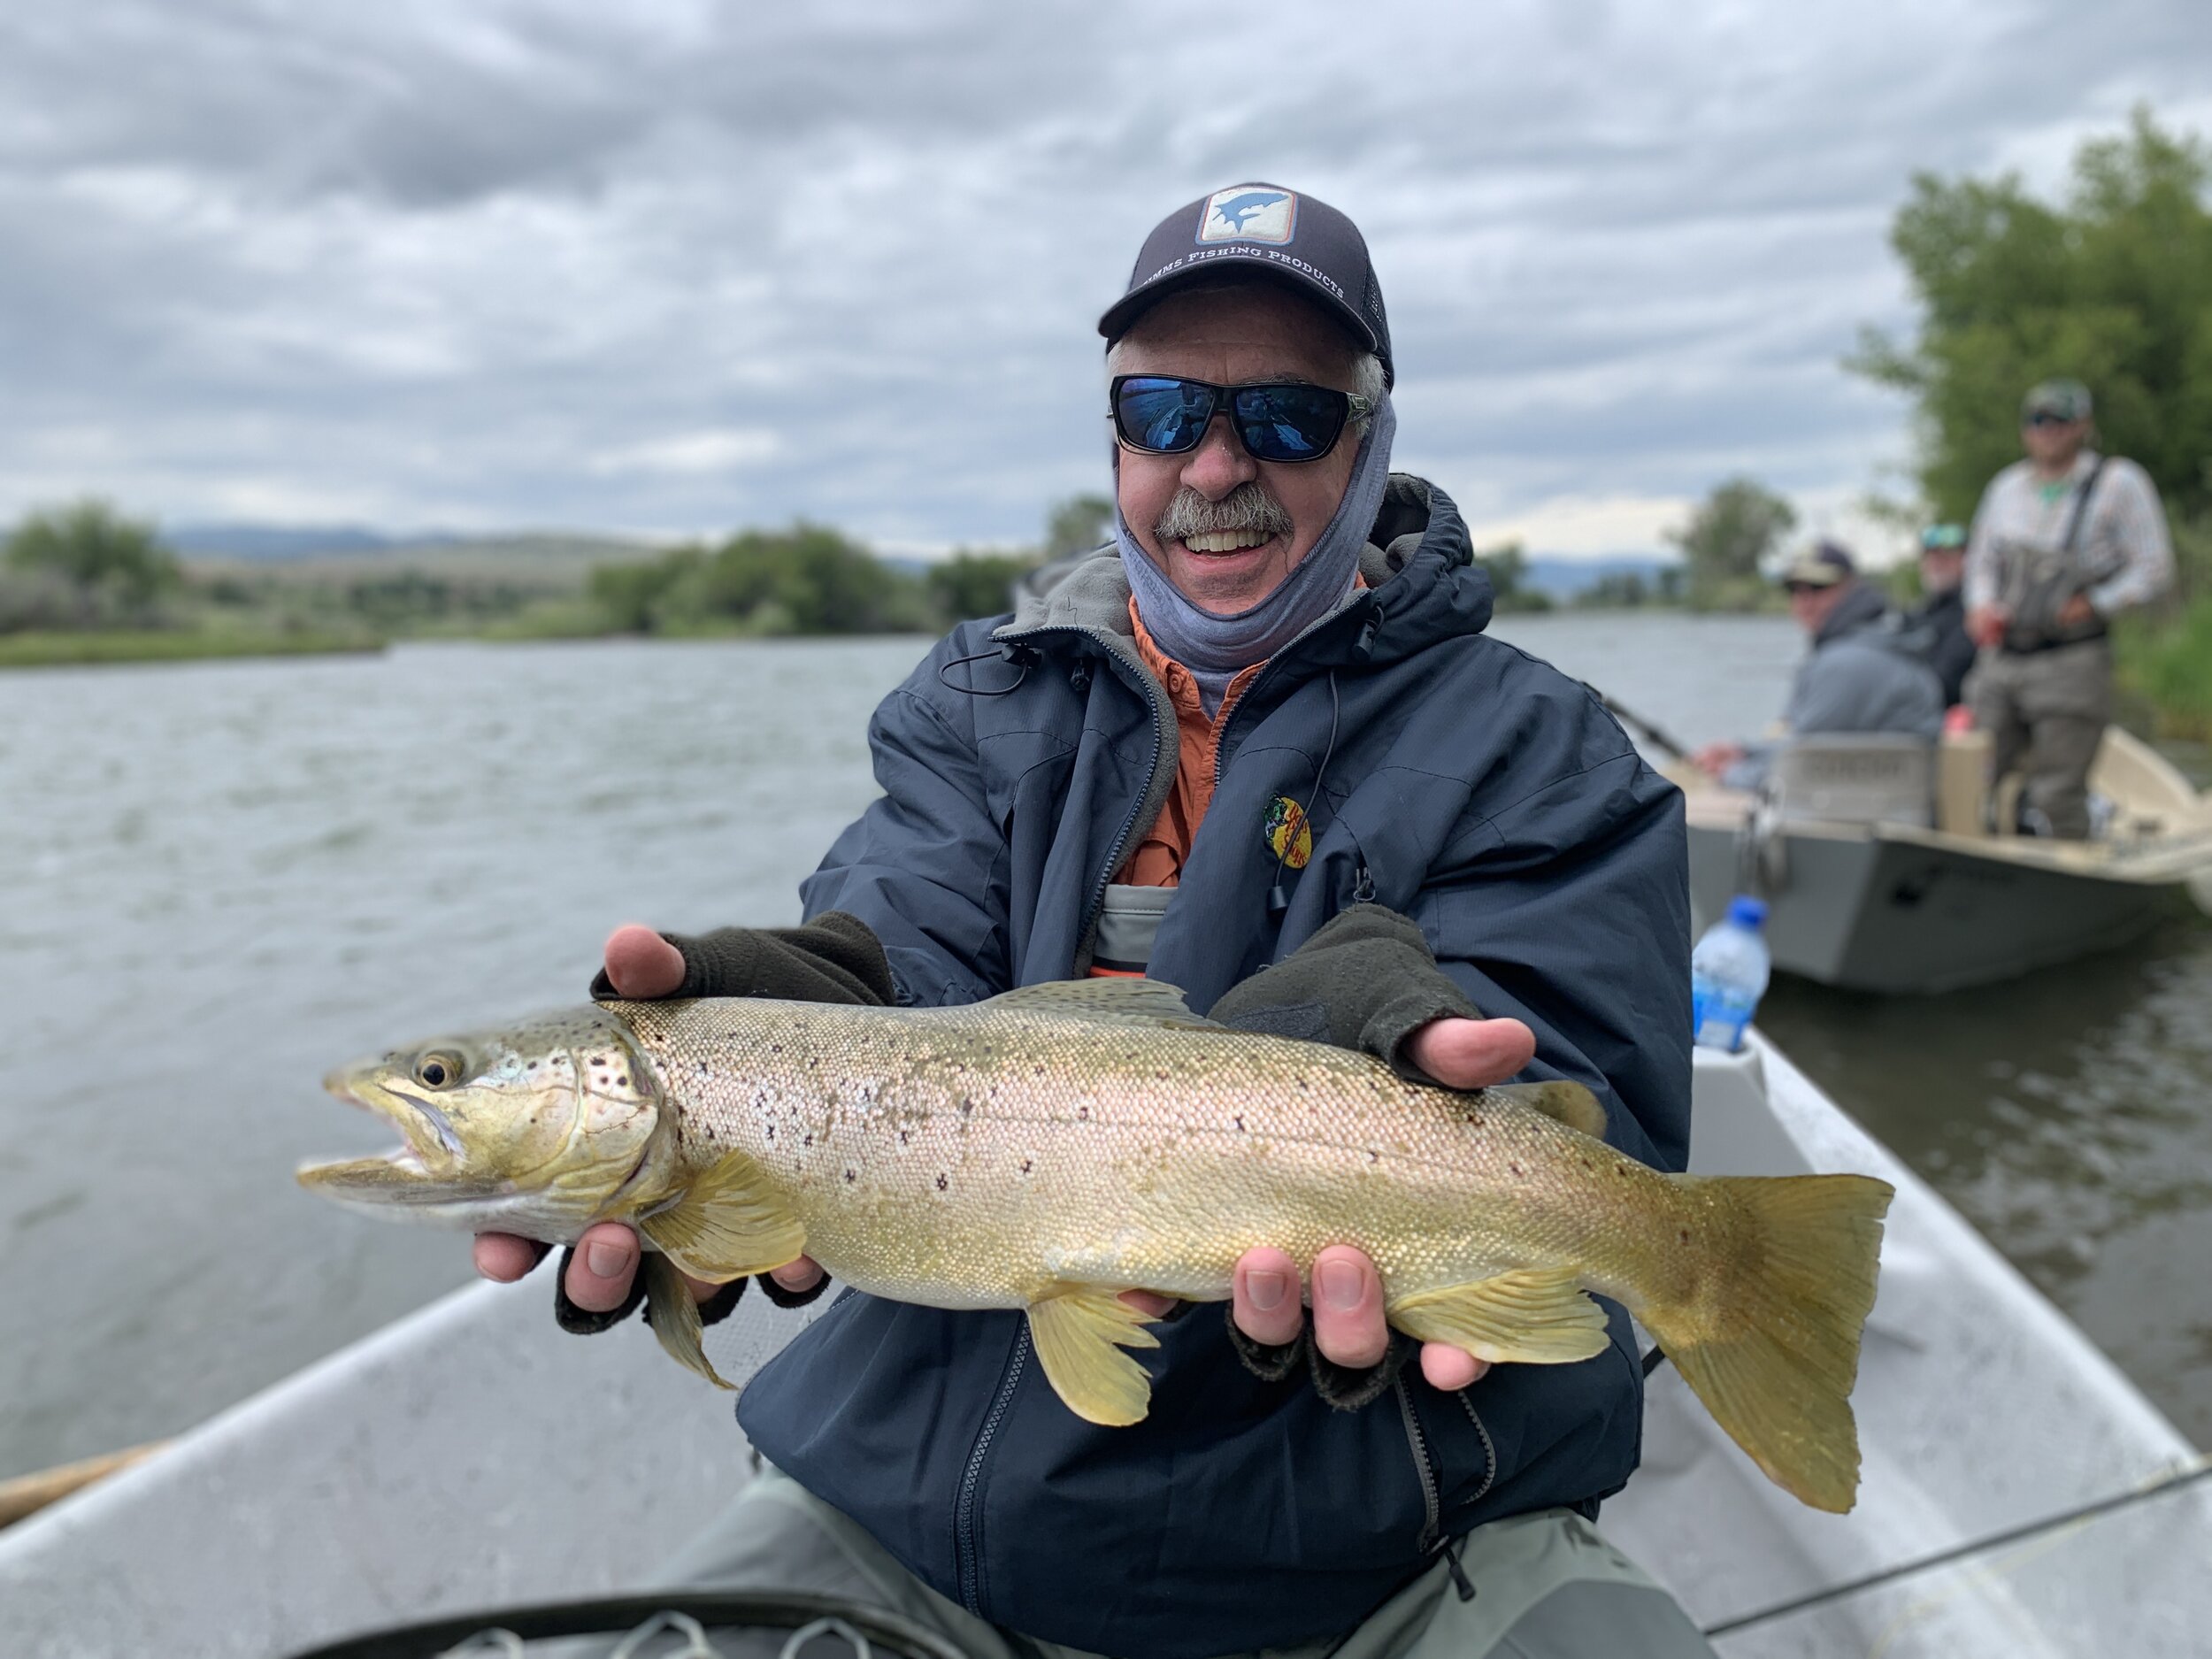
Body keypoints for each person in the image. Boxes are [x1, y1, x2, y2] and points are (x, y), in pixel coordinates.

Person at [475, 184, 1707, 1658]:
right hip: (924, 1500)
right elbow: (902, 950)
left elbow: (1593, 1108)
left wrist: (1410, 1032)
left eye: (1287, 420)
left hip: (1392, 1530)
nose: (1215, 466)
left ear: (1373, 442)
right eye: (1165, 411)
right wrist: (782, 997)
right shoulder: (977, 701)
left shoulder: (1545, 752)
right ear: (1116, 438)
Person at [1963, 379, 2174, 839]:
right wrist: (1980, 607)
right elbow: (1981, 563)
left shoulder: (2118, 482)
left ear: (2083, 426)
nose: (2048, 430)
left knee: (2057, 792)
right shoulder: (2006, 488)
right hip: (2003, 660)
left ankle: (2072, 875)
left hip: (2072, 662)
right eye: (2038, 420)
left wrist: (2098, 603)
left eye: (2060, 421)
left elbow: (2155, 569)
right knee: (1971, 779)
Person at [1692, 540, 1944, 789]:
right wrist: (1745, 752)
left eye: (1818, 587)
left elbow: (1803, 763)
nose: (1805, 601)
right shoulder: (1875, 642)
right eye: (1795, 590)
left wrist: (1731, 774)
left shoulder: (1848, 664)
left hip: (1879, 813)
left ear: (1852, 587)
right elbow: (1814, 742)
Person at [1905, 522, 1975, 708]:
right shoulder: (1918, 614)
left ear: (1966, 562)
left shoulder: (1972, 612)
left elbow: (1946, 680)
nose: (1936, 564)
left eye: (1947, 558)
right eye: (1931, 558)